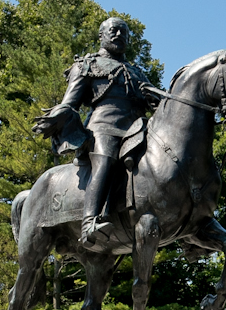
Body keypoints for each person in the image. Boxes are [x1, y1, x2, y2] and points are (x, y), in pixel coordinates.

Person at [33, 17, 159, 248]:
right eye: (114, 30)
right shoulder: (87, 65)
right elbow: (71, 101)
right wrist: (60, 116)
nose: (119, 35)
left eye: (124, 32)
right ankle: (89, 222)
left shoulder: (137, 72)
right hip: (104, 126)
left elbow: (157, 104)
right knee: (106, 158)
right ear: (101, 35)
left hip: (139, 128)